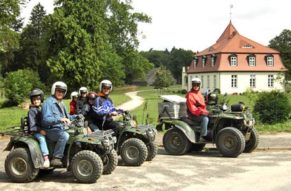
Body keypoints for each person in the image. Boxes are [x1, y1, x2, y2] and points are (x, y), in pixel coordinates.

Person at [41, 81, 76, 167]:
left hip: (60, 128)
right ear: (54, 90)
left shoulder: (61, 103)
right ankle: (56, 158)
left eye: (62, 91)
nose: (60, 93)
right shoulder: (48, 103)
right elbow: (45, 119)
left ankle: (71, 158)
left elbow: (67, 117)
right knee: (64, 136)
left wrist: (77, 116)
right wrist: (59, 119)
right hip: (50, 130)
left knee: (77, 133)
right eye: (58, 91)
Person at [28, 88, 50, 168]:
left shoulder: (40, 109)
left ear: (41, 99)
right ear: (32, 101)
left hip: (42, 129)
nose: (36, 101)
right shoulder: (32, 111)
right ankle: (46, 158)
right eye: (34, 99)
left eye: (38, 99)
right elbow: (32, 126)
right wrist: (40, 130)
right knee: (42, 139)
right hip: (35, 132)